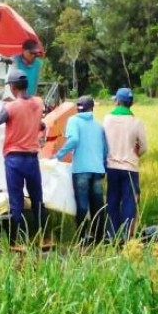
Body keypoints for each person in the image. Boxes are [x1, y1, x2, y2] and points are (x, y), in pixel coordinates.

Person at [0, 69, 51, 252]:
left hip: (14, 160)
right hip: (32, 159)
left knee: (16, 201)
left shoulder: (11, 107)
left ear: (12, 87)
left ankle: (17, 242)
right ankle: (44, 239)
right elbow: (38, 123)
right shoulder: (38, 102)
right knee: (37, 199)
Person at [55, 96, 108, 245]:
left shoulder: (73, 121)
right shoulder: (99, 126)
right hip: (97, 169)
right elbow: (105, 150)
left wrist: (58, 155)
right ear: (92, 108)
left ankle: (83, 237)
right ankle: (99, 237)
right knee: (97, 203)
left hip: (81, 170)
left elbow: (74, 140)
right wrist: (102, 165)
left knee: (82, 203)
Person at [103, 87, 147, 241]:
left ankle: (111, 234)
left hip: (112, 166)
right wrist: (136, 154)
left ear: (117, 101)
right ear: (131, 103)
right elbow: (143, 147)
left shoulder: (107, 119)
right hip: (130, 167)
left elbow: (104, 143)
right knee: (129, 201)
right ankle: (126, 235)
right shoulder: (137, 122)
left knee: (112, 199)